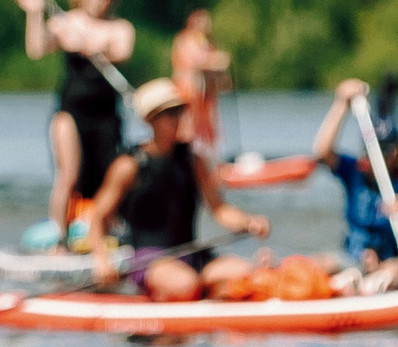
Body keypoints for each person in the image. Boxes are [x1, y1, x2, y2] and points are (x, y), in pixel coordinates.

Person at [87, 79, 270, 300]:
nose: (179, 119)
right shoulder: (129, 166)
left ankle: (210, 291)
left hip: (192, 254)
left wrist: (249, 222)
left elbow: (219, 209)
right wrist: (102, 261)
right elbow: (97, 217)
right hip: (150, 259)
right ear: (150, 120)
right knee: (184, 285)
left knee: (252, 275)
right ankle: (193, 292)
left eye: (180, 112)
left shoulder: (194, 161)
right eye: (170, 114)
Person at [12, 0, 135, 249]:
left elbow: (121, 50)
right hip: (70, 112)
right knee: (69, 175)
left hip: (106, 115)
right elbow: (37, 48)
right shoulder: (67, 22)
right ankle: (59, 240)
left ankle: (106, 233)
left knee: (109, 175)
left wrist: (92, 43)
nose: (100, 1)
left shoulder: (119, 28)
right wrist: (34, 13)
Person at [311, 78, 398, 294]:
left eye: (385, 152)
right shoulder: (354, 173)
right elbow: (322, 152)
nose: (377, 158)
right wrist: (342, 104)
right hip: (353, 258)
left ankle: (365, 291)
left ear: (395, 153)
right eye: (373, 150)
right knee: (320, 264)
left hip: (391, 262)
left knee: (395, 273)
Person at [170, 9, 233, 156]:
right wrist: (216, 60)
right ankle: (186, 157)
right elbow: (197, 61)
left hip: (205, 92)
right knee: (188, 126)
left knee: (208, 127)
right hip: (188, 91)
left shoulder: (206, 42)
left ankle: (210, 160)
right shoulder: (185, 40)